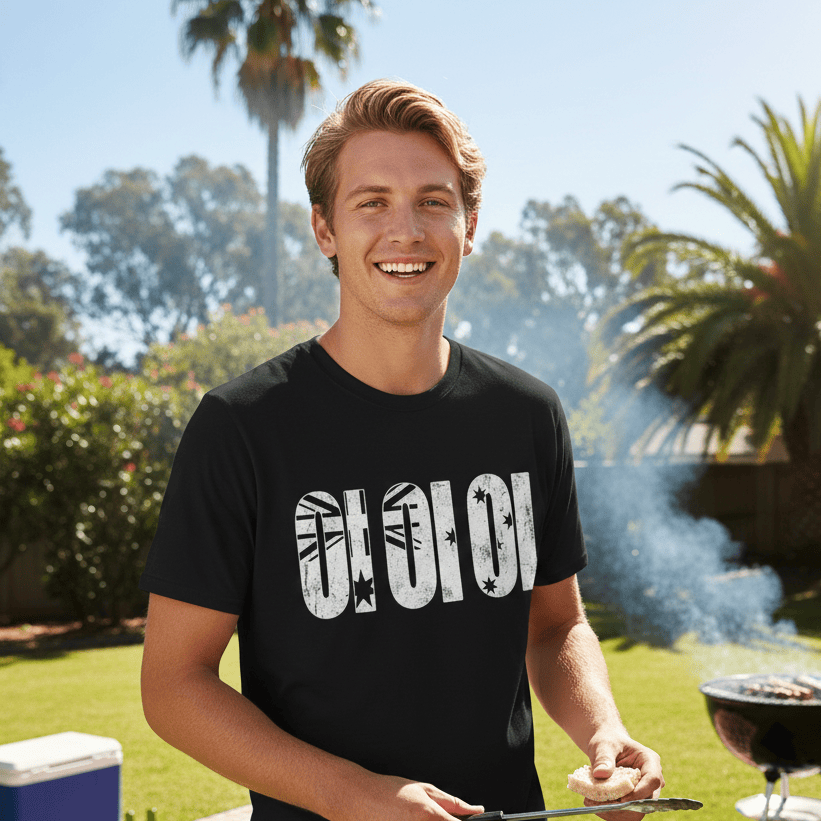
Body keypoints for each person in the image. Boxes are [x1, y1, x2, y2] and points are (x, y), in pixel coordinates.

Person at [140, 79, 664, 821]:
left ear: (469, 223)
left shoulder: (526, 415)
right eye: (371, 201)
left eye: (432, 200)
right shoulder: (241, 427)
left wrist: (603, 732)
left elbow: (554, 625)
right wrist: (348, 794)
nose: (406, 230)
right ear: (325, 229)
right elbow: (173, 683)